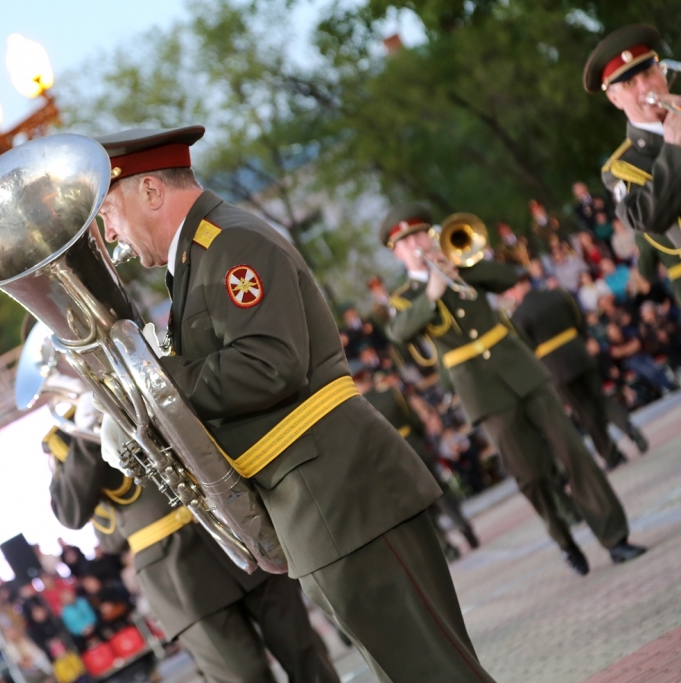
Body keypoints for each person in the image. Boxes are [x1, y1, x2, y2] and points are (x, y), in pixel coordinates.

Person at [94, 125, 494, 683]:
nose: (109, 232)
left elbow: (269, 365)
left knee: (432, 670)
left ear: (151, 192)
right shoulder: (196, 260)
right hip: (318, 500)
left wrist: (155, 386)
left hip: (338, 493)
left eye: (108, 211)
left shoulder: (228, 244)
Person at [383, 203, 646, 576]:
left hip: (522, 370)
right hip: (482, 390)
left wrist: (461, 266)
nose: (417, 244)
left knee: (573, 452)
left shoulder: (460, 264)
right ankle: (562, 536)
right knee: (531, 475)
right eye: (407, 242)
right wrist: (432, 290)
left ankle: (615, 538)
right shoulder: (403, 298)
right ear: (396, 252)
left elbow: (509, 277)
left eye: (420, 234)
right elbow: (399, 333)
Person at [47, 425, 340, 683]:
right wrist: (84, 434)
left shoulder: (137, 371)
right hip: (173, 568)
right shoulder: (64, 437)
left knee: (305, 652)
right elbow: (71, 512)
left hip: (229, 531)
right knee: (241, 675)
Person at [506, 278, 648, 470]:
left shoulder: (518, 316)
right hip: (579, 352)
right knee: (601, 399)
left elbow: (527, 347)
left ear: (516, 288)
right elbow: (579, 319)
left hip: (556, 366)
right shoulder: (558, 295)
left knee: (585, 412)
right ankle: (630, 430)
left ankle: (611, 454)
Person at [584, 24, 681, 297]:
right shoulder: (621, 167)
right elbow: (649, 218)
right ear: (615, 99)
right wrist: (674, 148)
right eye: (629, 84)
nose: (645, 87)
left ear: (662, 74)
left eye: (648, 73)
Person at [350, 360, 479, 560]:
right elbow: (413, 419)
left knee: (418, 504)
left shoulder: (358, 409)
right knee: (439, 491)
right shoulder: (390, 393)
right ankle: (464, 527)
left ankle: (445, 546)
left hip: (388, 457)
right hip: (413, 446)